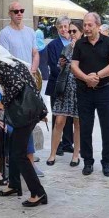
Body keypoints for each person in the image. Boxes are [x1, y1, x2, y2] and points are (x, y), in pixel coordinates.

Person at [0, 44, 48, 207]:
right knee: (14, 148)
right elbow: (31, 85)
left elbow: (16, 86)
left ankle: (38, 192)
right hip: (31, 111)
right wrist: (42, 111)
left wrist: (3, 102)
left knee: (19, 153)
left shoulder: (2, 65)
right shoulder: (15, 63)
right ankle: (14, 185)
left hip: (23, 114)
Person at [71, 12, 109, 177]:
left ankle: (107, 162)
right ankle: (88, 162)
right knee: (85, 127)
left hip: (105, 91)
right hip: (84, 91)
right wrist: (86, 78)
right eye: (85, 25)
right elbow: (74, 66)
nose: (86, 28)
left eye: (90, 25)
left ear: (98, 26)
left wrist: (97, 76)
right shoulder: (80, 43)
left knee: (107, 128)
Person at [0, 1, 43, 176]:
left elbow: (35, 53)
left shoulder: (30, 32)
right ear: (9, 13)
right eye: (15, 11)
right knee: (20, 122)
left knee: (29, 121)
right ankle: (22, 163)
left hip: (29, 83)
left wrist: (33, 70)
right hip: (14, 85)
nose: (19, 13)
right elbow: (6, 59)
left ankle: (27, 161)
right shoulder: (5, 33)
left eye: (21, 10)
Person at [46, 20, 83, 167]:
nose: (71, 34)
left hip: (79, 89)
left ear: (81, 32)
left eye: (74, 31)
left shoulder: (85, 47)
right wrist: (61, 64)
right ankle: (52, 153)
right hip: (65, 88)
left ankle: (75, 155)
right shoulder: (66, 47)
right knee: (59, 121)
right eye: (70, 31)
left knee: (78, 124)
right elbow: (59, 66)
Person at [45, 16, 75, 156]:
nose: (64, 29)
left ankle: (68, 143)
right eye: (60, 27)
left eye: (65, 26)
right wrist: (69, 74)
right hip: (57, 84)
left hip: (73, 85)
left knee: (70, 115)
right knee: (57, 116)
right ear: (57, 29)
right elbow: (53, 65)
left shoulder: (76, 42)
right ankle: (56, 146)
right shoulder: (52, 45)